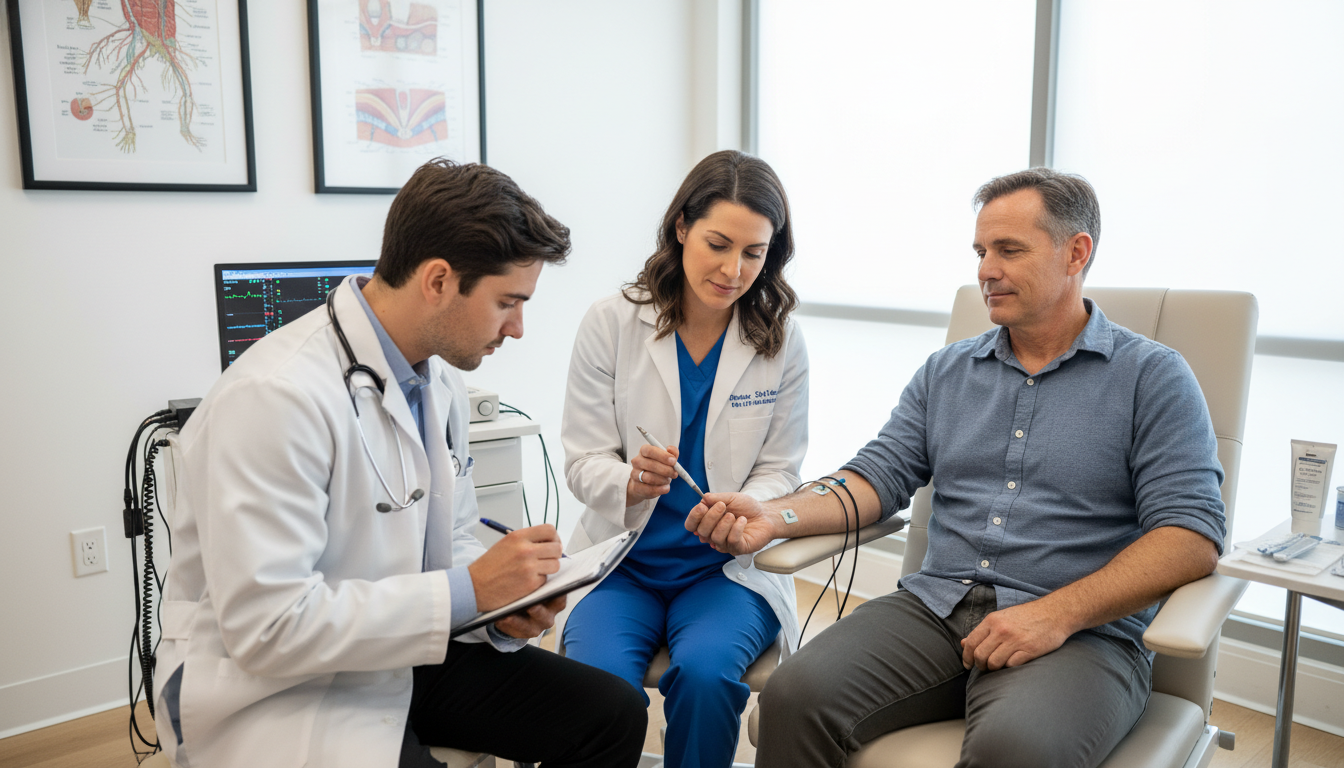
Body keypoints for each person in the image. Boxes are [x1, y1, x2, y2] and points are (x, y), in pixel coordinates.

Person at [686, 168, 1227, 768]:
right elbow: (879, 474)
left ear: (1076, 253)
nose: (985, 270)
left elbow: (1191, 536)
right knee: (795, 694)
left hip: (1079, 635)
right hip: (935, 611)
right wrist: (775, 514)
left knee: (1014, 750)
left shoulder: (1152, 377)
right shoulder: (948, 372)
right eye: (980, 251)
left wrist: (1054, 615)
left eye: (1009, 250)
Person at [152, 159, 646, 768]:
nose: (518, 329)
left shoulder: (433, 381)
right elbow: (269, 628)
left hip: (399, 654)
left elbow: (453, 538)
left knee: (614, 713)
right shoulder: (274, 397)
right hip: (278, 689)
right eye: (507, 303)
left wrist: (504, 605)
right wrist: (469, 589)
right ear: (439, 281)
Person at [560, 150, 808, 767]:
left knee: (704, 677)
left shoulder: (780, 336)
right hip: (623, 564)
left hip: (724, 570)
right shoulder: (612, 322)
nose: (733, 269)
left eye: (755, 253)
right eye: (718, 244)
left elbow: (783, 468)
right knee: (598, 693)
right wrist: (631, 480)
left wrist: (749, 506)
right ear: (681, 228)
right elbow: (583, 459)